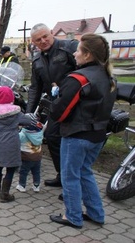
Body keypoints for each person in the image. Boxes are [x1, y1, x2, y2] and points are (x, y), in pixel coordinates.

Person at [49, 33, 116, 229]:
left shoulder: (78, 78)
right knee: (85, 172)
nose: (75, 53)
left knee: (70, 177)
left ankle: (73, 217)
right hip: (98, 135)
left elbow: (60, 113)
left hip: (77, 135)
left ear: (87, 55)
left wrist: (52, 102)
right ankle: (96, 214)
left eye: (78, 50)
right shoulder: (108, 76)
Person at [26, 23, 78, 189]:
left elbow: (84, 71)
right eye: (38, 40)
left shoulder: (69, 48)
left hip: (76, 102)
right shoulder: (37, 59)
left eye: (45, 36)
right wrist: (28, 114)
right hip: (55, 104)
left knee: (73, 141)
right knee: (53, 137)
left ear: (52, 33)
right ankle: (62, 175)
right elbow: (35, 88)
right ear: (33, 42)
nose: (43, 41)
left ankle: (73, 180)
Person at [0, 86, 36, 203]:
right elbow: (28, 121)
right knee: (10, 168)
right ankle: (4, 194)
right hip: (11, 143)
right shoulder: (16, 112)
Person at [16, 124, 44, 193]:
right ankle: (36, 186)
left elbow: (16, 141)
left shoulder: (22, 134)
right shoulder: (39, 133)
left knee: (23, 172)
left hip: (26, 158)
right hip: (37, 157)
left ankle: (22, 186)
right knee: (36, 172)